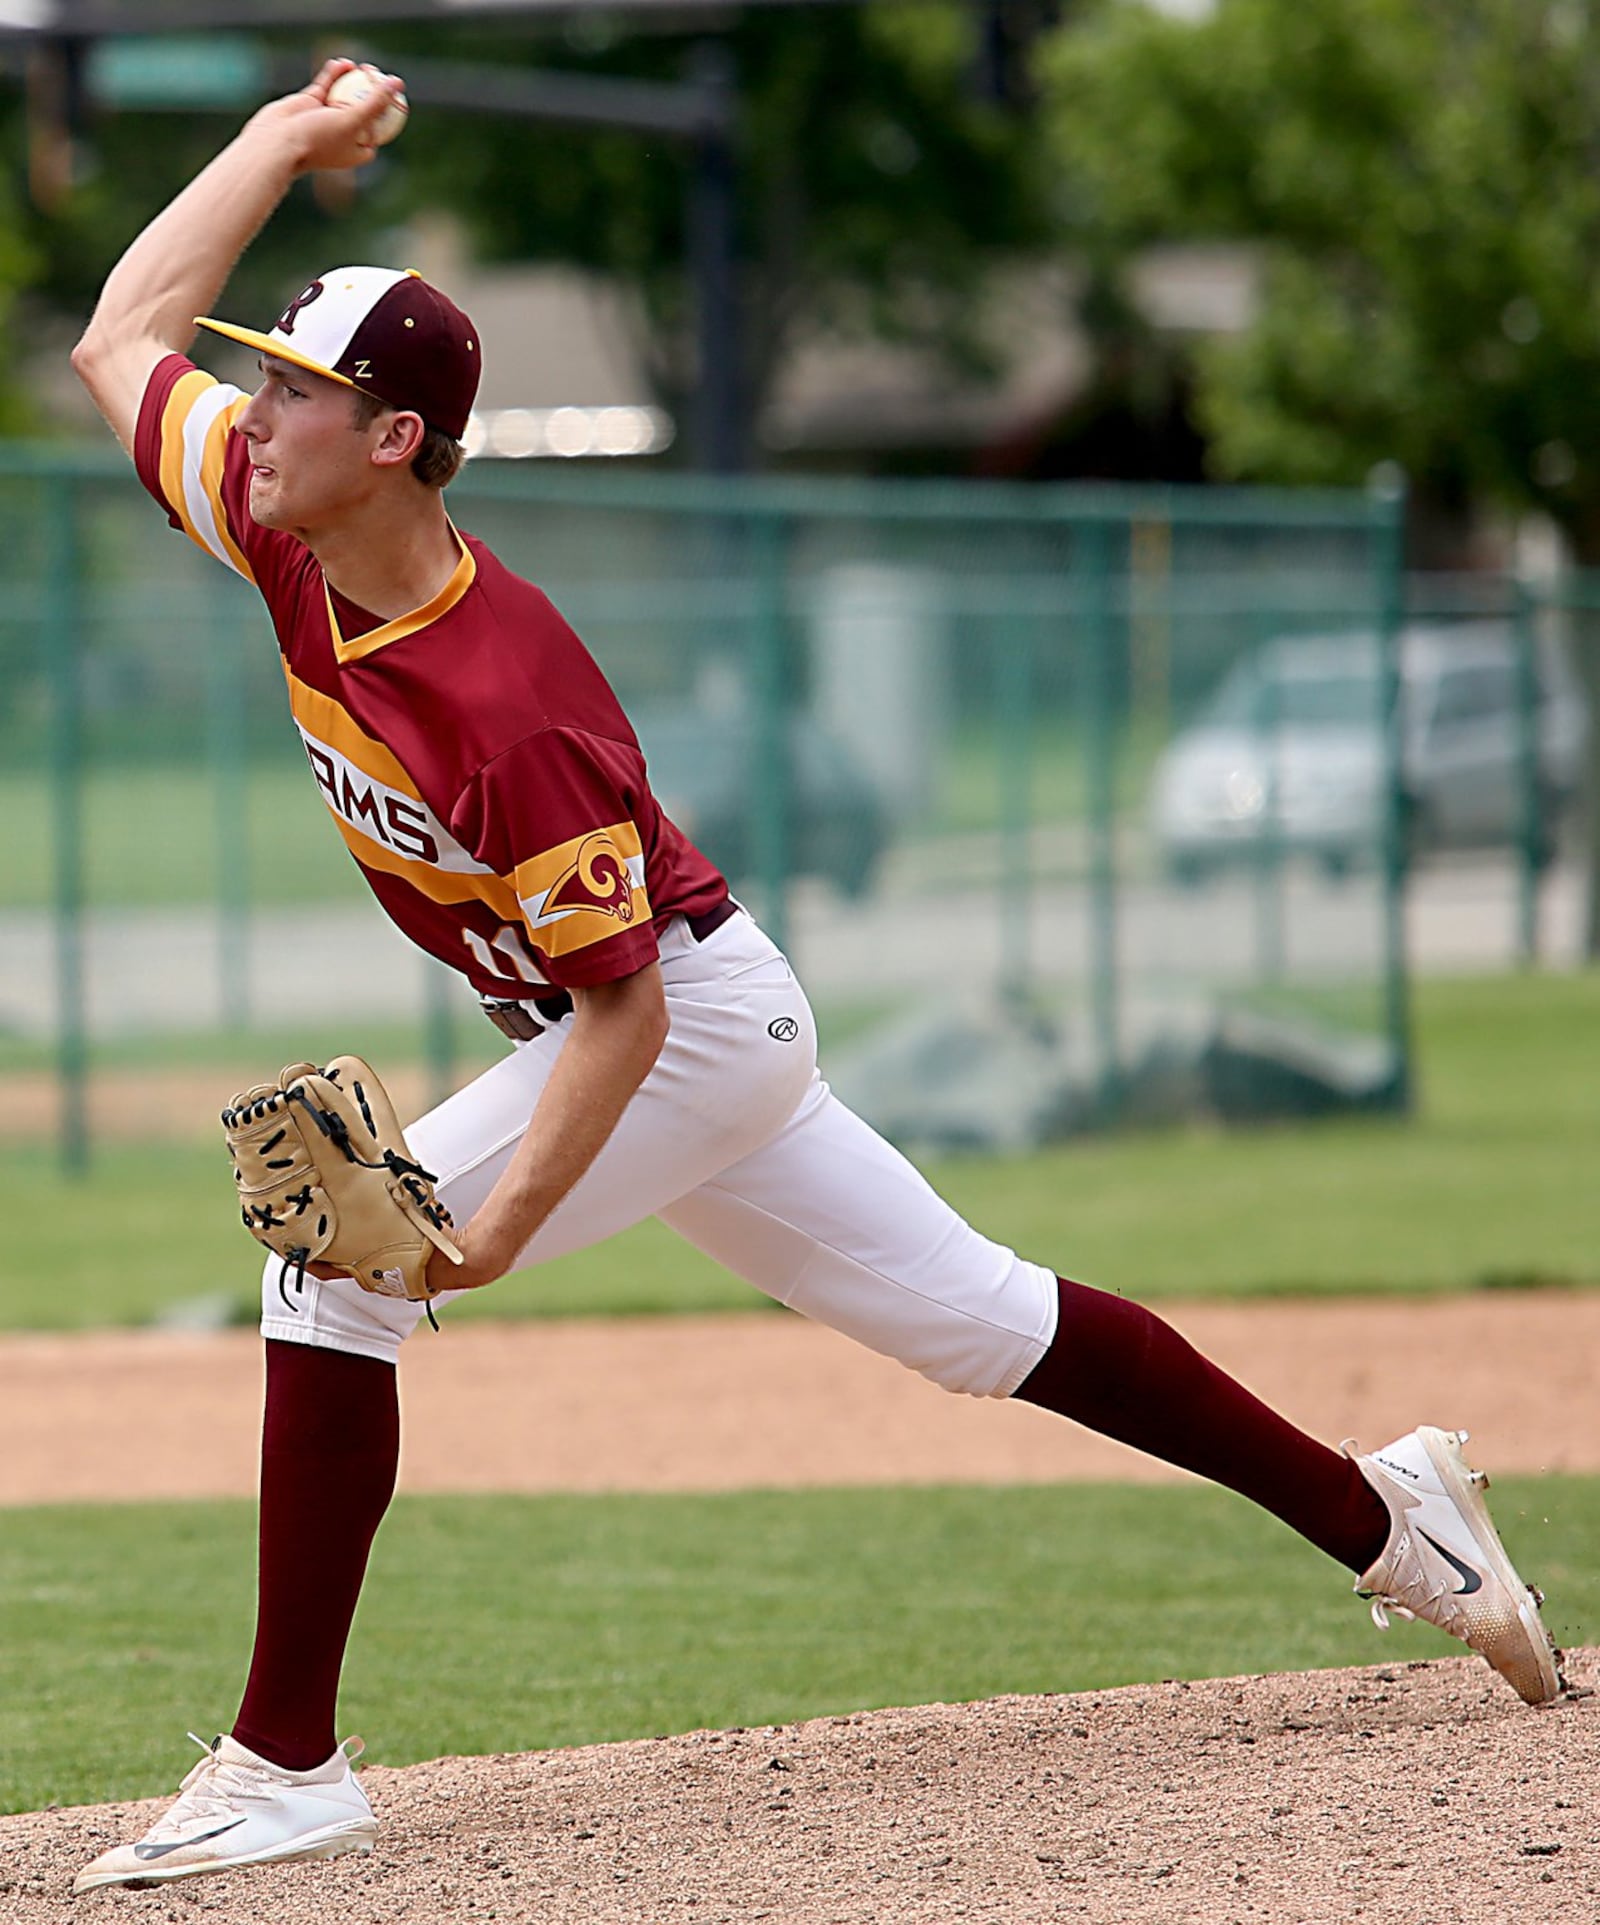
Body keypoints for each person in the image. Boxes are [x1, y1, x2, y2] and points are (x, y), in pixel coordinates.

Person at [68, 60, 1560, 1895]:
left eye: (298, 386)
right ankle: (1391, 1511)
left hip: (679, 1021)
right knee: (982, 1321)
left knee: (338, 1278)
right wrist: (284, 145)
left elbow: (621, 1010)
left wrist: (508, 1220)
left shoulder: (505, 698)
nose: (257, 407)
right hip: (690, 1024)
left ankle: (286, 1761)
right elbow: (119, 332)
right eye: (266, 379)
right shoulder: (283, 535)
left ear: (395, 440)